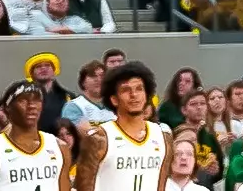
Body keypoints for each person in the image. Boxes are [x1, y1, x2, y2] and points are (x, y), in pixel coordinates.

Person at [74, 62, 173, 191]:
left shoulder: (163, 137)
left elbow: (161, 186)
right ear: (114, 99)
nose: (134, 95)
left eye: (139, 89)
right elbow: (82, 187)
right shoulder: (99, 138)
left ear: (146, 95)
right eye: (126, 90)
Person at [0, 82, 70, 191]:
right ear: (7, 108)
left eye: (36, 100)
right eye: (23, 100)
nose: (31, 106)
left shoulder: (60, 147)